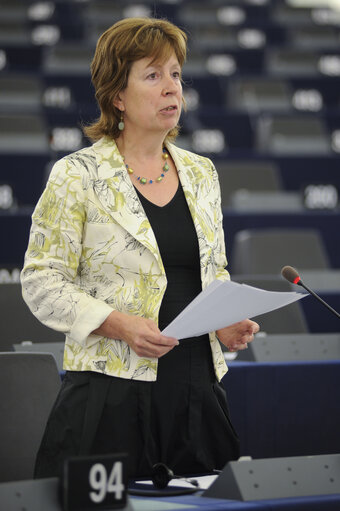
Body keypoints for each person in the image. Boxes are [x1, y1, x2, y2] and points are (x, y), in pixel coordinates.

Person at [21, 17, 259, 480]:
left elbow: (212, 272)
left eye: (175, 74)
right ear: (117, 95)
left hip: (197, 395)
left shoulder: (201, 172)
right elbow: (41, 282)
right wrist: (117, 324)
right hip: (109, 396)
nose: (172, 88)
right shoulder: (78, 175)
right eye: (153, 76)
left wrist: (224, 322)